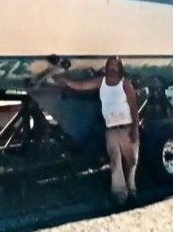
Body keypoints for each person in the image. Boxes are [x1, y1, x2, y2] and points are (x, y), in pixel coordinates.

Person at [53, 56, 140, 206]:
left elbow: (133, 107)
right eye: (110, 66)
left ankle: (132, 188)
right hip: (111, 130)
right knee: (115, 160)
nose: (112, 69)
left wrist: (135, 129)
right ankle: (120, 194)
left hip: (127, 127)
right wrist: (66, 81)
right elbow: (81, 86)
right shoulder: (102, 82)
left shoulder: (125, 84)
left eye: (115, 66)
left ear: (119, 69)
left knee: (131, 161)